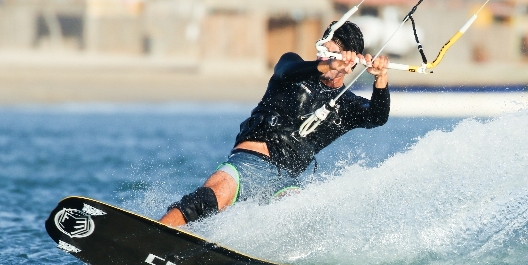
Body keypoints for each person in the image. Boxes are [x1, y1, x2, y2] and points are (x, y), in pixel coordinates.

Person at [159, 21, 390, 227]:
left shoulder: (346, 105)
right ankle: (154, 237)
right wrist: (327, 65)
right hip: (247, 164)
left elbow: (377, 117)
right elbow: (286, 70)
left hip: (286, 181)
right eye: (323, 51)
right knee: (208, 198)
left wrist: (381, 79)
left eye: (333, 55)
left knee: (302, 223)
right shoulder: (293, 68)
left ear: (350, 64)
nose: (325, 58)